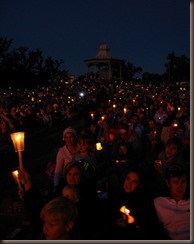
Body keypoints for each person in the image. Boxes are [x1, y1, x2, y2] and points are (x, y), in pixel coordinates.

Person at [153, 165, 190, 240]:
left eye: (183, 182)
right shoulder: (158, 202)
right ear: (168, 183)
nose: (180, 186)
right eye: (175, 182)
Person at [53, 127, 79, 192]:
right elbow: (58, 171)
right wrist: (56, 186)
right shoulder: (62, 152)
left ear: (75, 137)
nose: (68, 140)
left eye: (71, 137)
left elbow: (86, 163)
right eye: (66, 137)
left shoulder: (80, 148)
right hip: (68, 181)